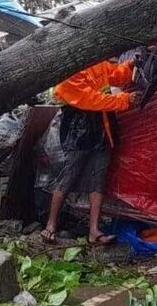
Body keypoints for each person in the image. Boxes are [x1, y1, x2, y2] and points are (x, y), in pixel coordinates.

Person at [40, 59, 141, 247]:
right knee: (69, 176)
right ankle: (51, 225)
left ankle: (94, 231)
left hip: (102, 129)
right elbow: (90, 99)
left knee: (98, 179)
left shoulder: (97, 63)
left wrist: (129, 65)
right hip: (79, 131)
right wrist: (125, 100)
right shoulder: (69, 70)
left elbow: (115, 75)